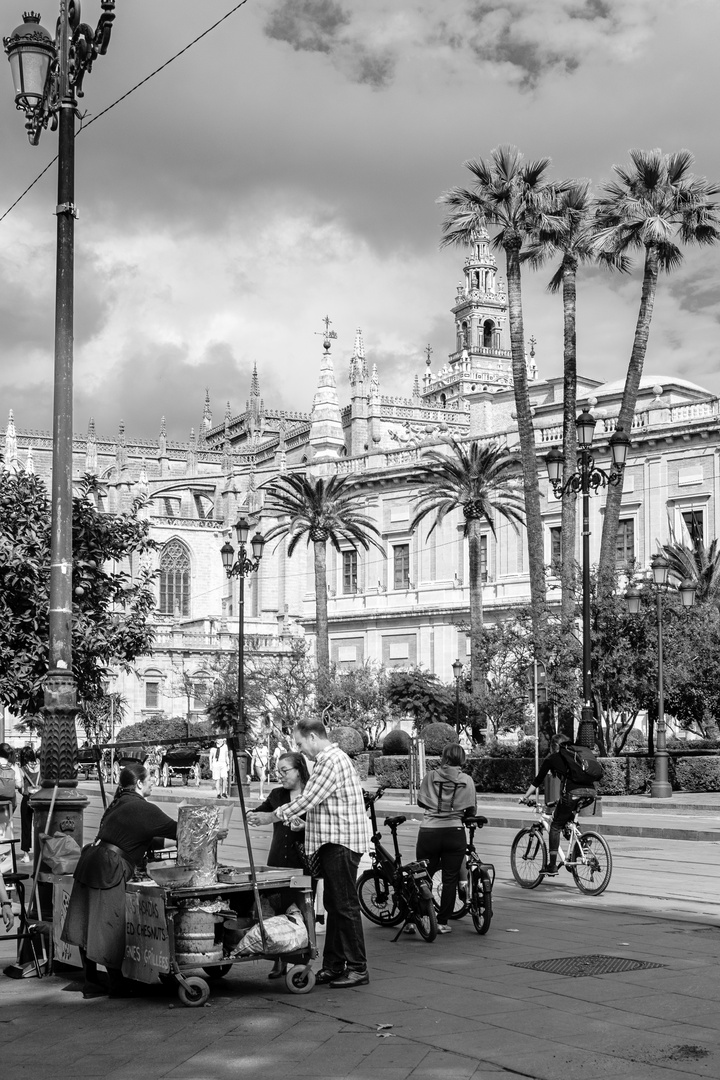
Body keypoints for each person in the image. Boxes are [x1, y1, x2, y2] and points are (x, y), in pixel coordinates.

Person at [248, 717, 371, 989]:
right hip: (333, 842)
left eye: (301, 744)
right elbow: (320, 807)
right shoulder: (329, 761)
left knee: (345, 906)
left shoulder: (331, 761)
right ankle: (334, 965)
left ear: (313, 737)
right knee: (334, 906)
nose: (301, 750)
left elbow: (308, 799)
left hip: (340, 843)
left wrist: (273, 817)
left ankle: (358, 967)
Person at [61, 761, 178, 998]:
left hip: (93, 861)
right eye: (150, 778)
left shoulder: (119, 803)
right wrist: (215, 830)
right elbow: (180, 829)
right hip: (108, 867)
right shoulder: (143, 808)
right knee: (109, 925)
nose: (154, 781)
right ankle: (117, 985)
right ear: (139, 784)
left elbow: (142, 839)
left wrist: (173, 841)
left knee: (87, 923)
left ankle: (92, 981)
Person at [251, 750, 310, 979]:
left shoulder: (310, 794)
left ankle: (300, 958)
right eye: (279, 771)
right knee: (276, 910)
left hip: (302, 860)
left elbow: (320, 823)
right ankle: (279, 960)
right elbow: (262, 812)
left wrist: (304, 825)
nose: (281, 776)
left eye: (285, 771)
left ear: (299, 770)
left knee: (301, 910)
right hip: (277, 861)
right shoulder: (277, 794)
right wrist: (252, 815)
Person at [415, 743, 477, 935]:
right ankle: (442, 921)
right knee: (450, 879)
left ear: (444, 757)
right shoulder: (467, 780)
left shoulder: (431, 776)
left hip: (429, 831)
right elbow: (471, 810)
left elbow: (420, 802)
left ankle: (416, 917)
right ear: (462, 759)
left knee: (422, 876)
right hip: (454, 831)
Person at [522, 733, 597, 875]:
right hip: (591, 793)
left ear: (553, 746)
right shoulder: (575, 756)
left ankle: (552, 866)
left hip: (573, 793)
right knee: (569, 817)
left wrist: (525, 797)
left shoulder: (553, 758)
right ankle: (583, 843)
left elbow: (538, 780)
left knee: (556, 825)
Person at [17, 745, 40, 863]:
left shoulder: (22, 768)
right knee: (39, 827)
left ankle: (26, 855)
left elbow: (20, 786)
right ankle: (39, 852)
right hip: (40, 799)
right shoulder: (40, 766)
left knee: (26, 827)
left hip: (27, 798)